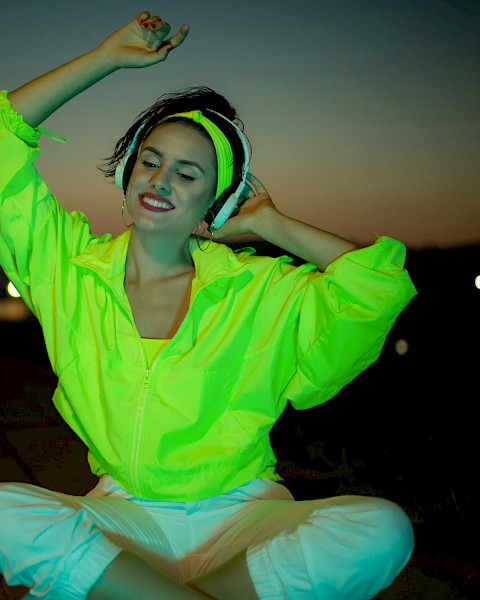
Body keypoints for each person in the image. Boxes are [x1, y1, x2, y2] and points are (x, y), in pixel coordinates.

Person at [0, 10, 417, 600]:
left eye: (188, 174)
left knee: (380, 529)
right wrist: (105, 58)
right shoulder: (68, 269)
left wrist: (271, 222)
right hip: (125, 516)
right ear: (125, 173)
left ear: (214, 206)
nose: (161, 179)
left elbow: (375, 286)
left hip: (242, 517)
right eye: (150, 160)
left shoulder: (258, 289)